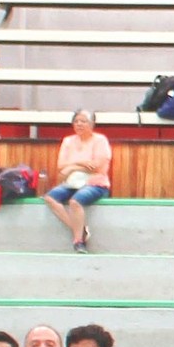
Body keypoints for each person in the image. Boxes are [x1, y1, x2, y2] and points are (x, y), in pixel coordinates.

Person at [44, 109, 111, 255]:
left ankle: (78, 241)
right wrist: (81, 164)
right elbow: (61, 165)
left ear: (92, 124)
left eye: (83, 121)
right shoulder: (68, 141)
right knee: (50, 197)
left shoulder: (100, 140)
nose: (79, 124)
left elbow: (98, 166)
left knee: (75, 202)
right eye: (76, 121)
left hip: (95, 182)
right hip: (72, 182)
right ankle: (79, 230)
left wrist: (72, 167)